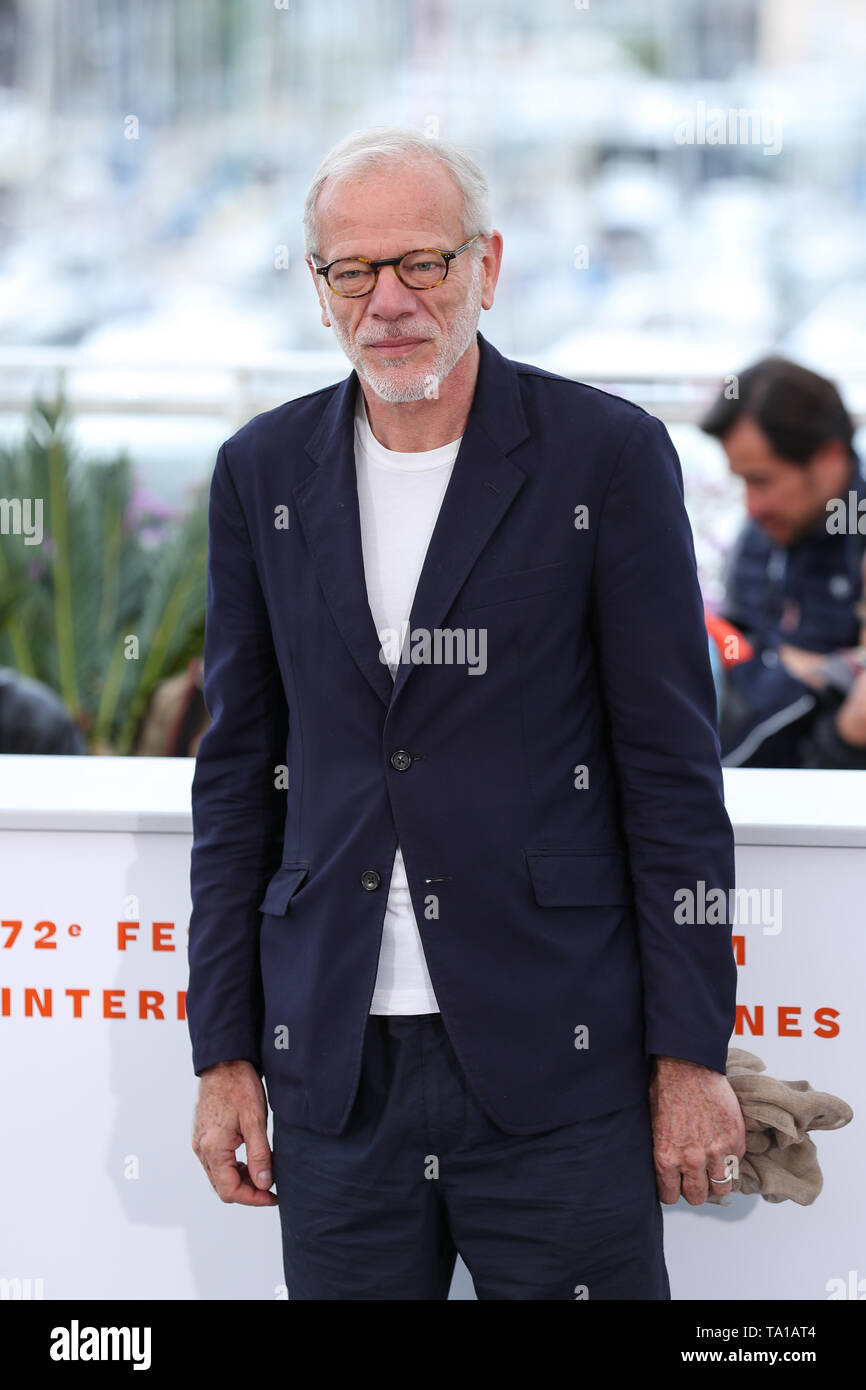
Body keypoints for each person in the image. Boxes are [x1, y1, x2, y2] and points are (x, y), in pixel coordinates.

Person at [187, 126, 743, 1301]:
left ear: (487, 265)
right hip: (333, 1070)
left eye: (422, 264)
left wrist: (690, 1054)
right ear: (319, 290)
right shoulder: (258, 473)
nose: (388, 300)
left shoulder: (608, 457)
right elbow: (238, 773)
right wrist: (225, 1053)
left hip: (558, 1060)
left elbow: (670, 773)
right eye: (354, 270)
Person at [701, 357, 866, 768]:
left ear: (828, 457)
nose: (751, 506)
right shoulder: (762, 533)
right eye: (741, 481)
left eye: (762, 480)